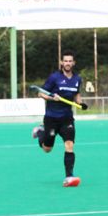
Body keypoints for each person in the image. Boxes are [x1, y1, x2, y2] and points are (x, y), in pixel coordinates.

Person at [32, 50, 85, 187]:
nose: (67, 63)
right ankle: (40, 132)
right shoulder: (54, 77)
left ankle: (69, 176)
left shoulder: (77, 79)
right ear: (62, 62)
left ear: (73, 63)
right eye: (65, 61)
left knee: (69, 145)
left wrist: (80, 103)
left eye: (70, 61)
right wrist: (52, 98)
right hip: (51, 118)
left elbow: (77, 94)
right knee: (47, 149)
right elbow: (40, 93)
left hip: (67, 118)